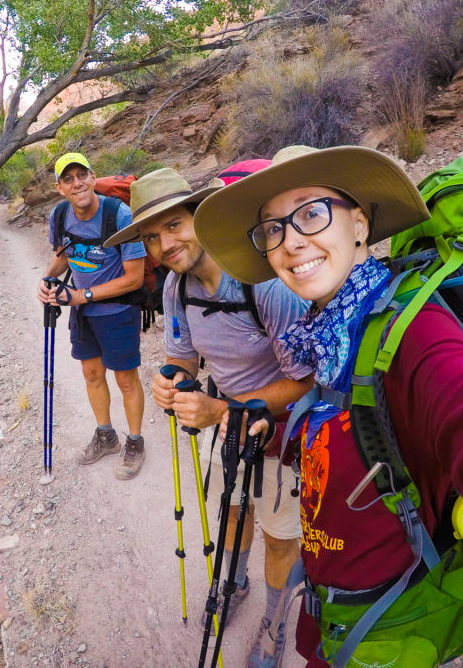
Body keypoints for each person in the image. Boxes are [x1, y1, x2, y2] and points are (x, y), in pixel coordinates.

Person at [193, 144, 463, 667]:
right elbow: (349, 440)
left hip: (387, 621)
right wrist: (275, 429)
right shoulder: (328, 336)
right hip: (333, 597)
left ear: (358, 224)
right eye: (273, 229)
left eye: (310, 213)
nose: (291, 242)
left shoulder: (411, 331)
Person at [104, 167, 313, 667]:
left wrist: (221, 408)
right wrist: (169, 378)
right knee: (231, 509)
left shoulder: (264, 284)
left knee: (280, 535)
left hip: (284, 430)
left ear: (203, 217)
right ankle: (235, 582)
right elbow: (182, 357)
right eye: (152, 237)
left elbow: (305, 381)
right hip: (226, 426)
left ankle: (274, 622)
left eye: (174, 225)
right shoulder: (176, 289)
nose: (164, 244)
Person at [36, 152, 148, 480]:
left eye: (81, 175)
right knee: (91, 374)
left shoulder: (119, 214)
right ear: (59, 188)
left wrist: (79, 295)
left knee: (126, 379)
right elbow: (66, 255)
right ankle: (106, 436)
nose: (77, 183)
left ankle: (135, 442)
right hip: (82, 311)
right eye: (68, 179)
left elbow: (135, 277)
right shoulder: (59, 216)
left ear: (93, 177)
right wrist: (47, 280)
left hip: (117, 310)